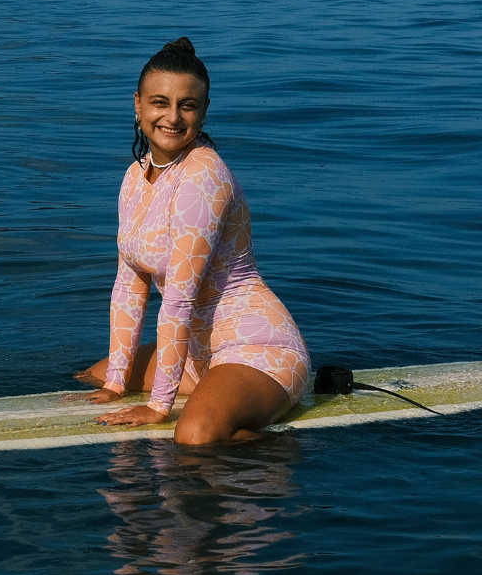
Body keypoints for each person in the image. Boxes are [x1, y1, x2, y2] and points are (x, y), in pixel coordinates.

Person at [76, 37, 310, 444]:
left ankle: (285, 448)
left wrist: (158, 407)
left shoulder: (203, 177)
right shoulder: (136, 176)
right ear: (137, 105)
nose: (172, 117)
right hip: (197, 355)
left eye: (187, 105)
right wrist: (115, 385)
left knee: (193, 437)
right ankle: (196, 394)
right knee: (92, 375)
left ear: (203, 113)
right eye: (159, 102)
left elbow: (179, 299)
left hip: (256, 348)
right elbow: (129, 286)